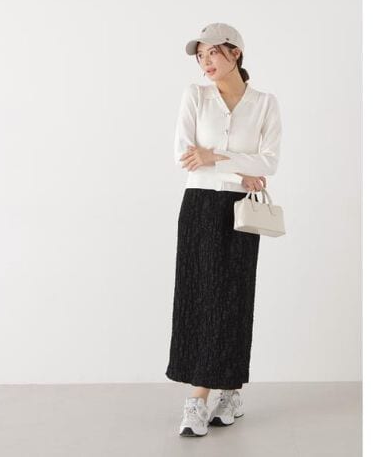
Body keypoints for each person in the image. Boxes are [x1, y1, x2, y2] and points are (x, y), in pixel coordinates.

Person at [164, 22, 283, 437]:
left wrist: (215, 156)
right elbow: (184, 155)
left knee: (234, 295)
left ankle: (230, 391)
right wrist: (239, 169)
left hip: (240, 209)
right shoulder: (195, 96)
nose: (205, 62)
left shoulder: (264, 103)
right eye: (200, 56)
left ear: (235, 53)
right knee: (198, 295)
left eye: (212, 52)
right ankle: (198, 398)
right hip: (199, 204)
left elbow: (268, 163)